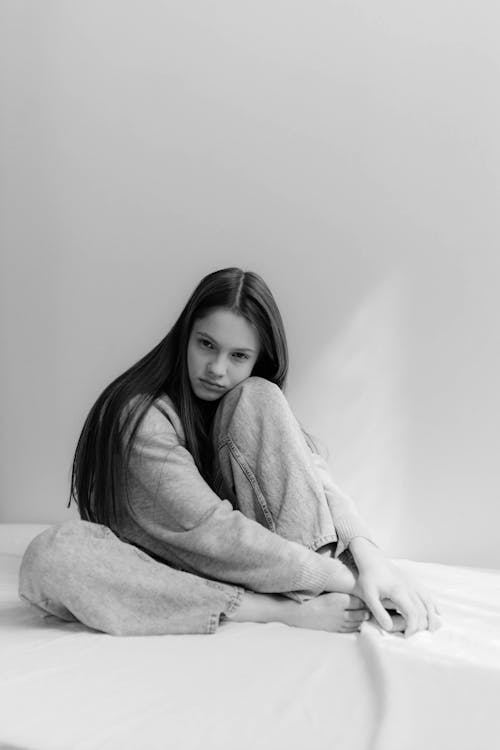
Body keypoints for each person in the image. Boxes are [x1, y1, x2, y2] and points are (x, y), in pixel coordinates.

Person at [19, 267, 440, 637]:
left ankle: (317, 585)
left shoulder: (245, 401)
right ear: (185, 337)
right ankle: (276, 608)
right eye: (206, 345)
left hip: (259, 562)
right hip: (168, 574)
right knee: (53, 556)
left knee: (260, 397)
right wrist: (344, 582)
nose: (217, 369)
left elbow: (315, 474)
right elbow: (210, 531)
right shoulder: (141, 414)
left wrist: (372, 562)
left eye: (238, 355)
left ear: (258, 358)